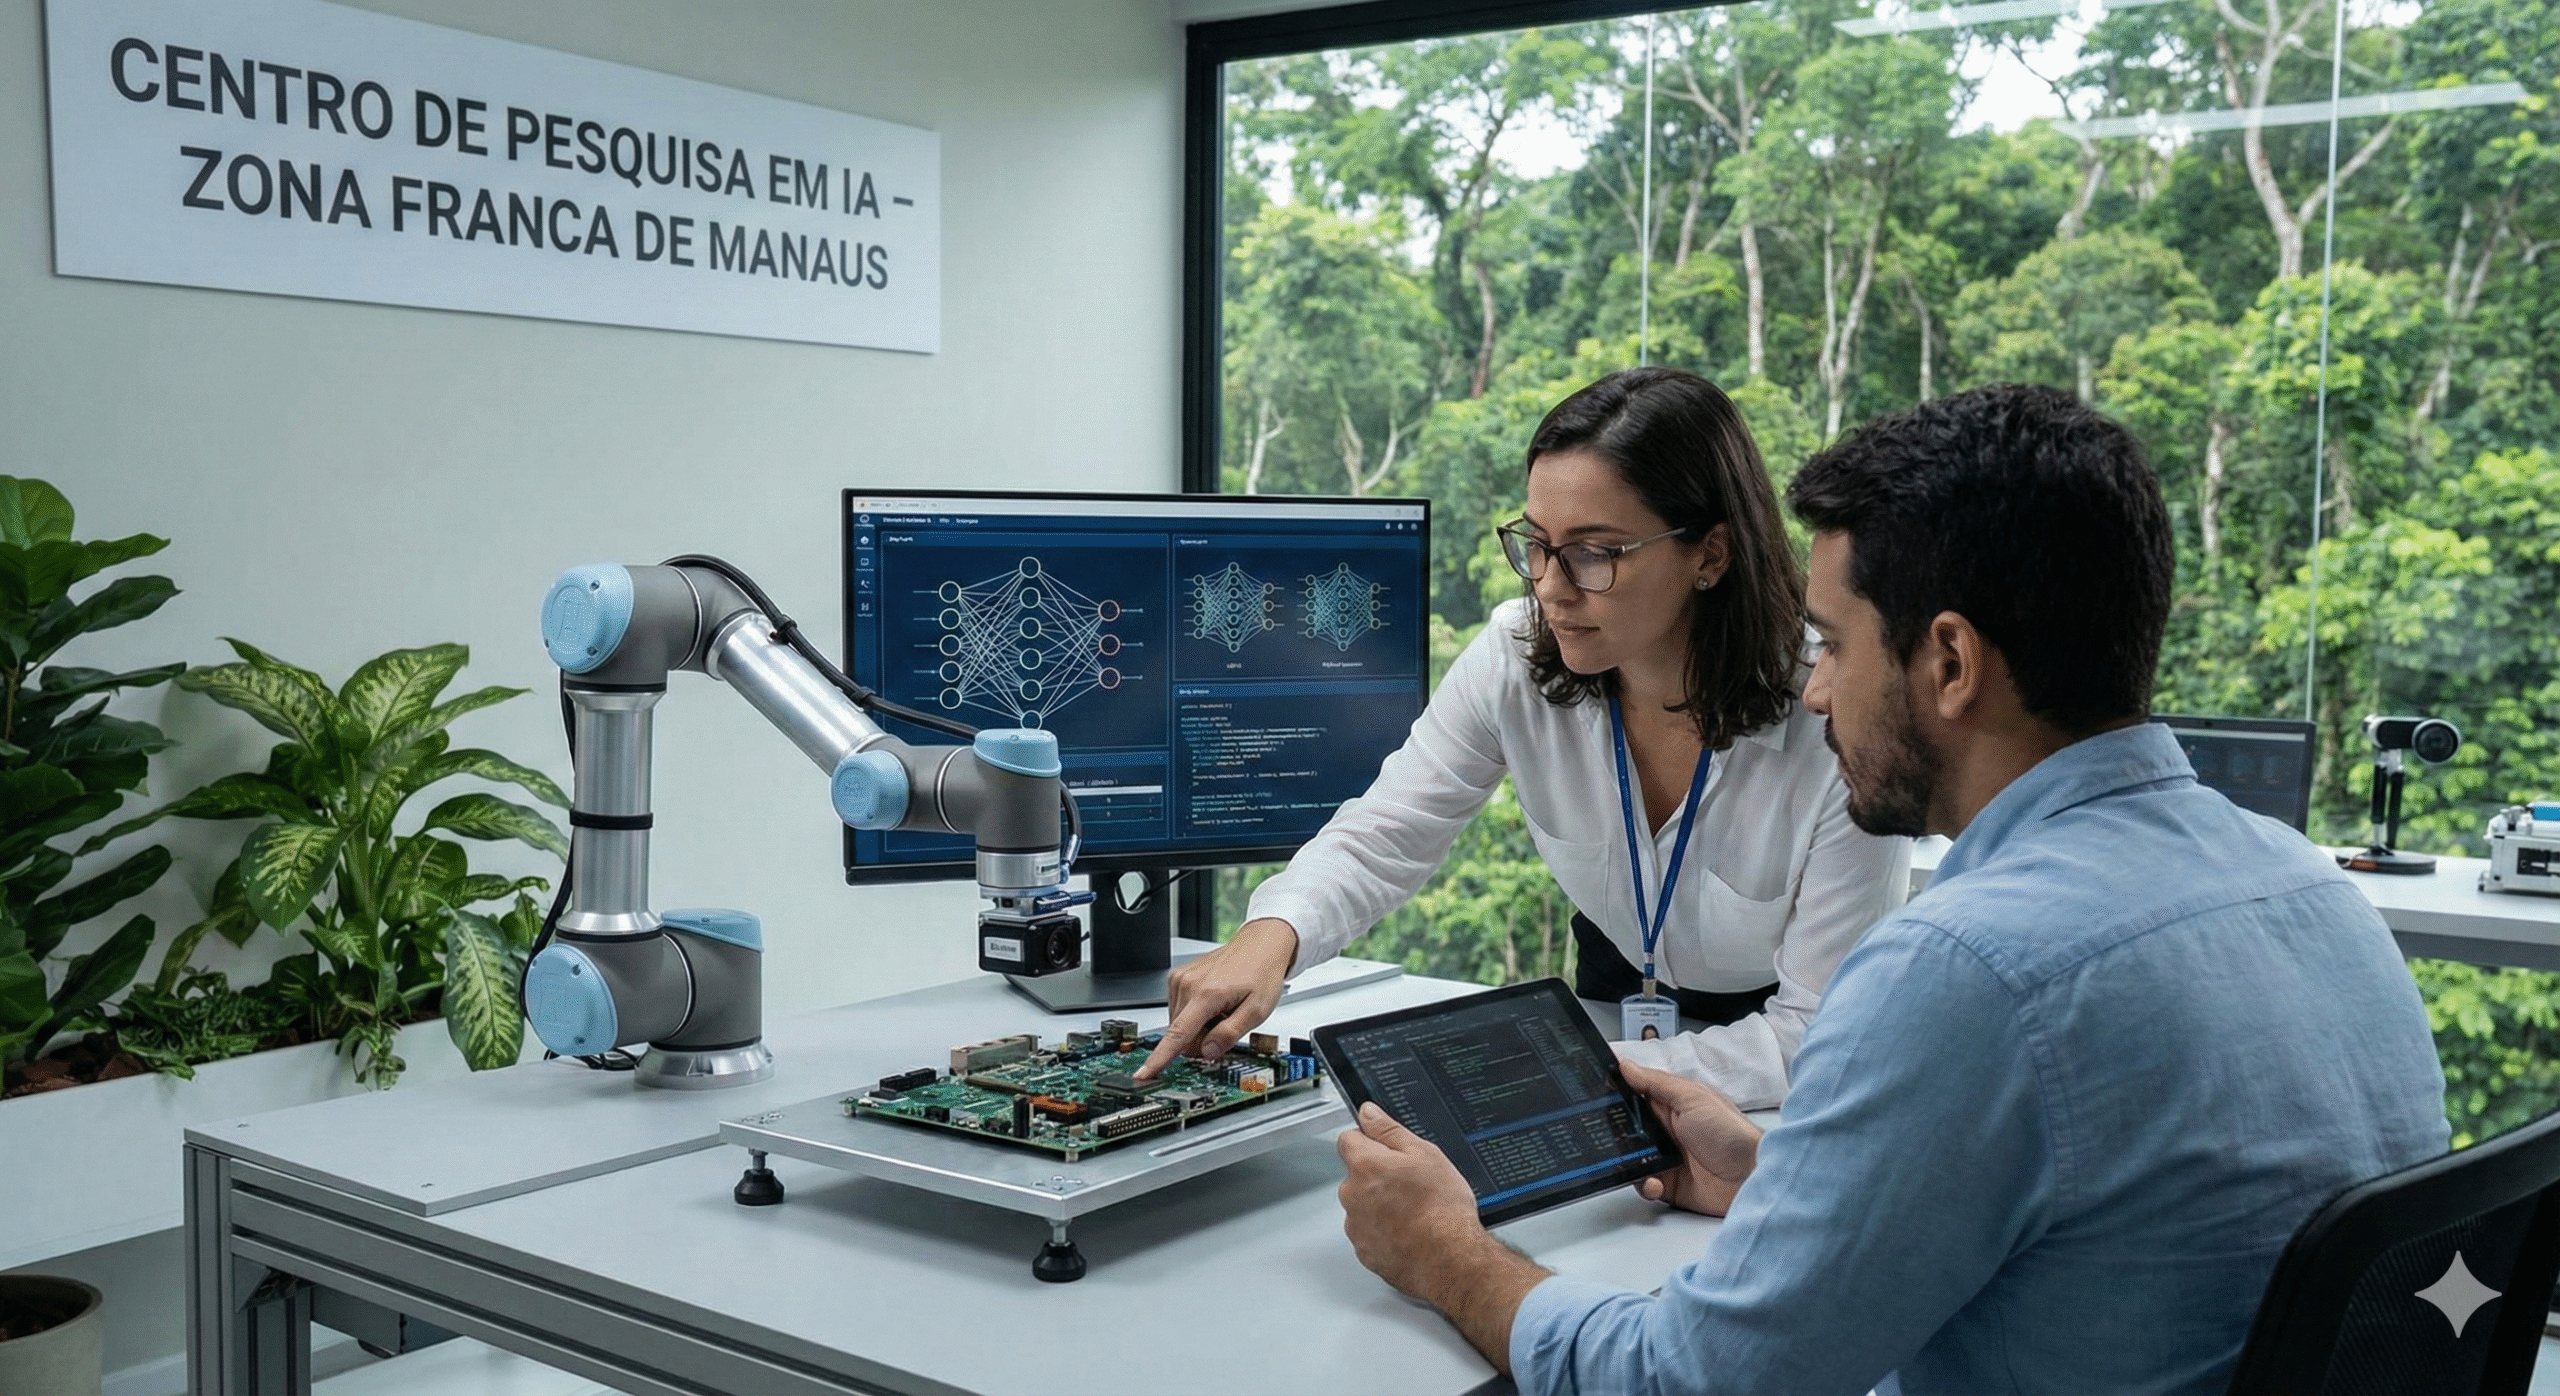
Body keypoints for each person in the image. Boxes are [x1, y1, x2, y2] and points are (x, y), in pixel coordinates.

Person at [1333, 383, 2451, 1394]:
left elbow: (1687, 1382)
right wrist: (1778, 1177)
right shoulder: (2312, 893)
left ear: (1950, 664)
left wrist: (1451, 1257)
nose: (1814, 690)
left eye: (1831, 644)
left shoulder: (1969, 972)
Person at [1139, 367, 1909, 1107]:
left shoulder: (1836, 713)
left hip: (1776, 1081)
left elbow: (1814, 1034)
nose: (1549, 585)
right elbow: (1388, 832)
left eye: (1593, 554)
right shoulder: (1516, 656)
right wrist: (1273, 932)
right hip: (1612, 1020)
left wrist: (1560, 1070)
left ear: (1710, 552)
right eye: (1537, 544)